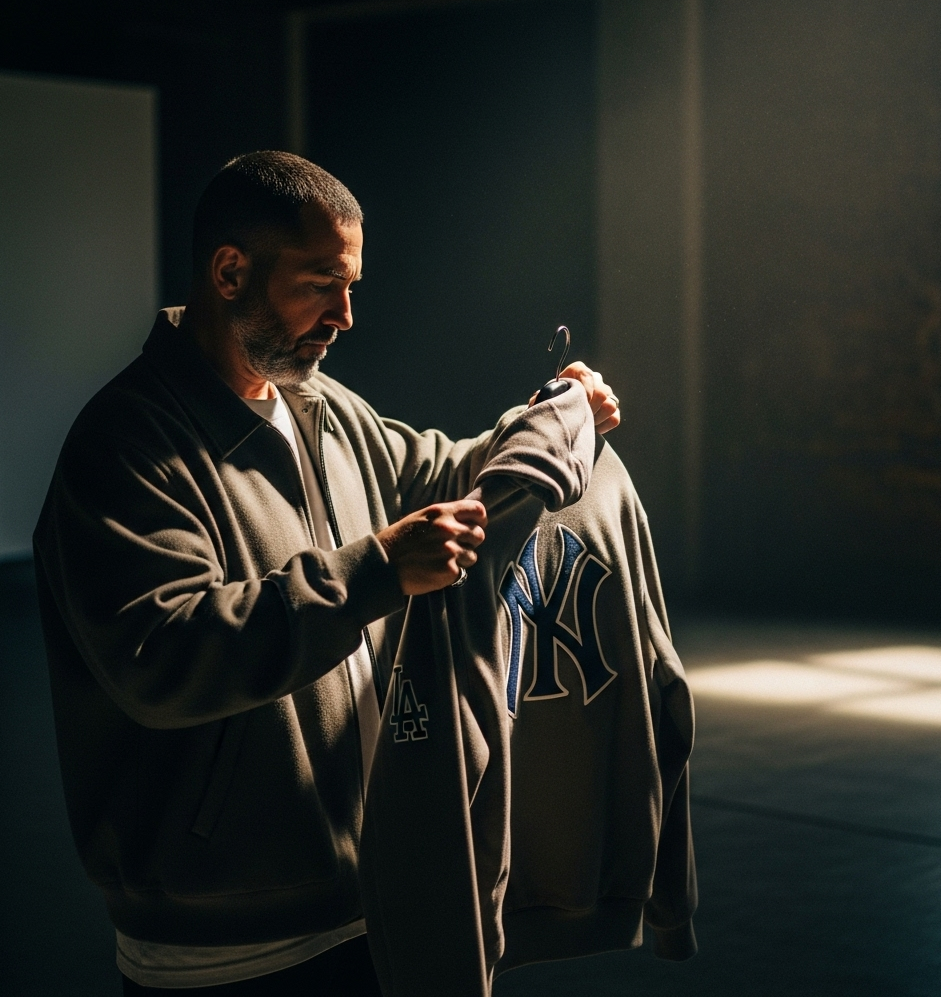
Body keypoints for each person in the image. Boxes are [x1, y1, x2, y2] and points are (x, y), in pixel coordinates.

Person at [33, 151, 620, 996]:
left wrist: (552, 425)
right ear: (230, 271)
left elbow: (444, 474)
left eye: (352, 287)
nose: (345, 316)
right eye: (321, 284)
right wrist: (375, 569)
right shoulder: (123, 447)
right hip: (222, 946)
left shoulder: (321, 407)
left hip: (368, 895)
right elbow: (161, 656)